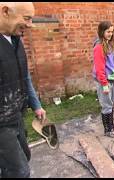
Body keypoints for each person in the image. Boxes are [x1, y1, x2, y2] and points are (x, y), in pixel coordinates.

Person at [0, 2, 46, 178]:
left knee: (24, 157)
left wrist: (36, 105)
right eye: (26, 18)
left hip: (17, 116)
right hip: (1, 124)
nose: (30, 24)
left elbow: (25, 77)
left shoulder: (16, 40)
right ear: (5, 12)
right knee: (19, 171)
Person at [92, 21, 114, 138]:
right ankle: (107, 130)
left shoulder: (108, 44)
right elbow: (100, 68)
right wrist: (104, 84)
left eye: (111, 31)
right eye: (108, 31)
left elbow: (112, 64)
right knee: (106, 105)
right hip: (104, 81)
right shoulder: (99, 47)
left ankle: (112, 125)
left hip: (111, 79)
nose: (110, 34)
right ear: (102, 31)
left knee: (111, 104)